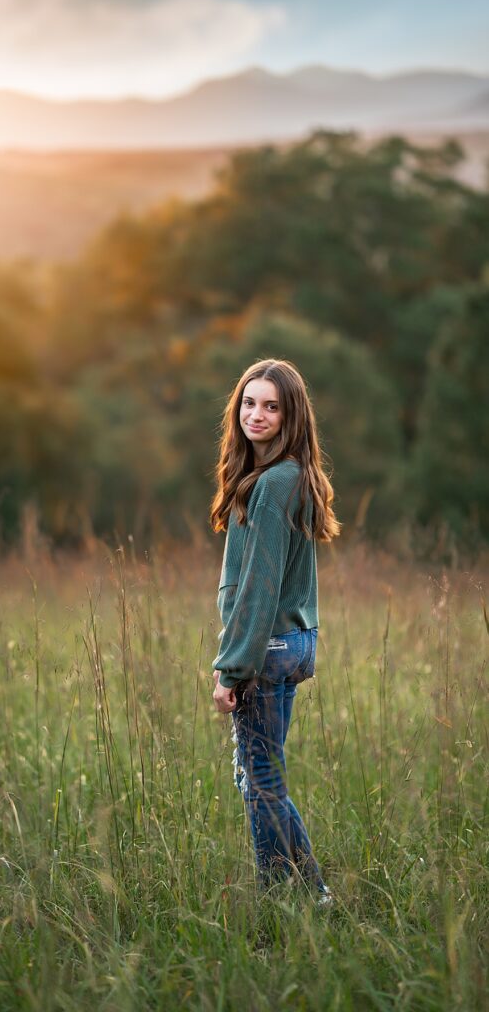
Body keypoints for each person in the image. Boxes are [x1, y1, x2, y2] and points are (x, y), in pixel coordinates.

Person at [210, 358, 340, 904]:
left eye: (271, 406)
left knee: (260, 780)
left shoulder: (276, 482)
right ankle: (310, 893)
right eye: (248, 402)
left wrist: (231, 668)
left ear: (292, 417)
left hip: (269, 648)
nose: (255, 415)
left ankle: (292, 895)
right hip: (293, 642)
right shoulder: (281, 478)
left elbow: (259, 589)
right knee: (265, 777)